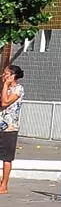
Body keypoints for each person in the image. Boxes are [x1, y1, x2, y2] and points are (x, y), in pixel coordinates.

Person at [0, 65, 24, 195]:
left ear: (12, 76)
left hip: (9, 128)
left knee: (6, 157)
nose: (3, 76)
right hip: (0, 125)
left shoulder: (18, 89)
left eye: (6, 74)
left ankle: (4, 185)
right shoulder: (5, 88)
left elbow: (5, 102)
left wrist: (5, 85)